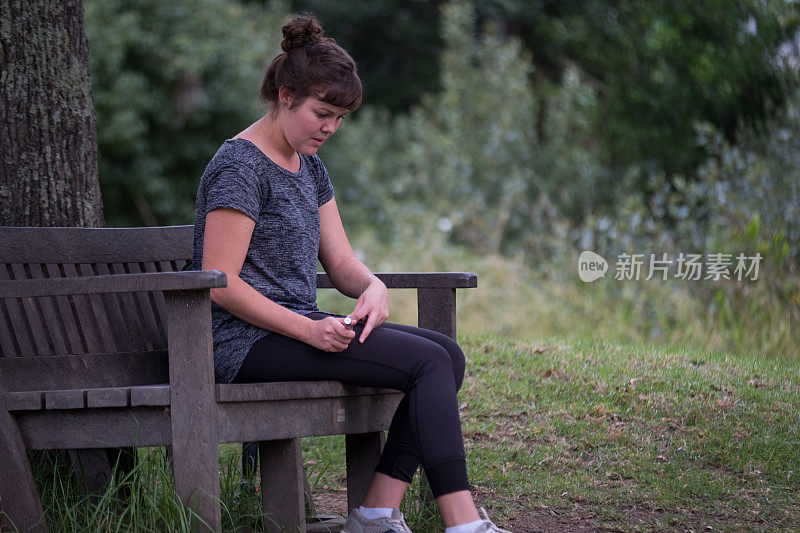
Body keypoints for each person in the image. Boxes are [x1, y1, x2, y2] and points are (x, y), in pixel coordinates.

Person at [192, 13, 511, 533]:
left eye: (340, 118)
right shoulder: (240, 166)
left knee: (446, 355)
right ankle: (462, 522)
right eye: (322, 113)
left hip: (294, 328)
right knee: (428, 365)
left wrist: (373, 287)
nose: (330, 128)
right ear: (285, 94)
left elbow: (339, 263)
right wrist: (310, 330)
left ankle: (377, 513)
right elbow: (220, 283)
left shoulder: (308, 164)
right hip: (240, 343)